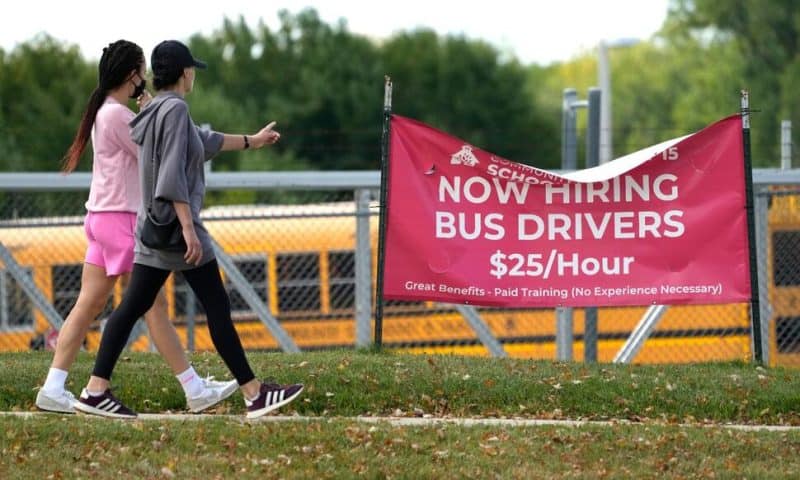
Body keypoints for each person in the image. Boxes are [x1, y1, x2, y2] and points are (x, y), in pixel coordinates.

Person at [74, 40, 304, 420]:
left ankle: (96, 389)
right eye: (192, 69)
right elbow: (171, 177)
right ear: (185, 73)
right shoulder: (176, 110)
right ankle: (254, 393)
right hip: (177, 232)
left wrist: (252, 141)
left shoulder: (152, 112)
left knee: (131, 307)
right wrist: (189, 228)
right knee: (216, 306)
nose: (193, 74)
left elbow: (203, 142)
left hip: (151, 229)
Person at [36, 40, 238, 416]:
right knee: (154, 306)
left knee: (89, 305)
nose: (145, 78)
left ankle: (54, 385)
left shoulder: (106, 112)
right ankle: (192, 388)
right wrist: (152, 115)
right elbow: (156, 152)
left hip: (100, 218)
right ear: (131, 75)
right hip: (121, 219)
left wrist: (147, 112)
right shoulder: (117, 116)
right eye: (141, 72)